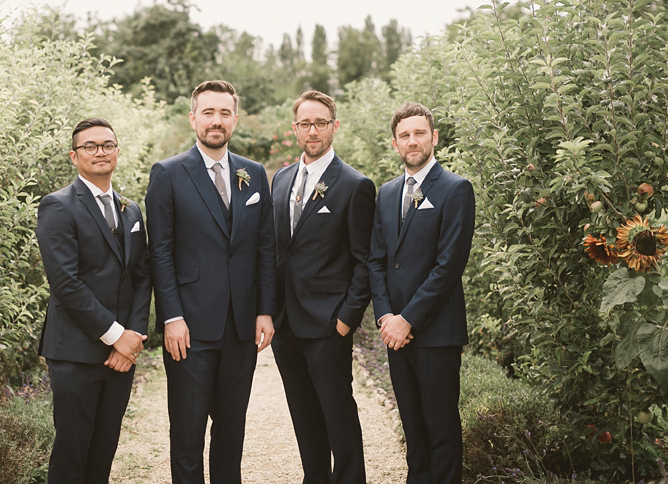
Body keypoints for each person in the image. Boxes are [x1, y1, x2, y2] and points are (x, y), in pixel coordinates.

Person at [145, 80, 276, 484]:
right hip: (190, 327)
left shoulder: (253, 174)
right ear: (193, 118)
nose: (216, 121)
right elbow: (160, 252)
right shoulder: (168, 173)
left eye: (224, 113)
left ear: (234, 119)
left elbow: (264, 249)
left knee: (231, 431)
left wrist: (265, 310)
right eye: (208, 112)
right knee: (187, 433)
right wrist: (171, 317)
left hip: (240, 328)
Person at [36, 118, 151, 484]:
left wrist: (131, 337)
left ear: (117, 152)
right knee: (73, 454)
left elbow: (141, 277)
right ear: (74, 156)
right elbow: (65, 282)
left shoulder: (130, 209)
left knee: (103, 452)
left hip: (120, 357)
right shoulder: (58, 206)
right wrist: (115, 334)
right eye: (90, 146)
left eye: (107, 145)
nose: (100, 152)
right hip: (75, 353)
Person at [271, 91, 375, 484]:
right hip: (286, 324)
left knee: (337, 413)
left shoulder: (354, 185)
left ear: (334, 126)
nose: (312, 131)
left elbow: (364, 261)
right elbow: (276, 251)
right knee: (303, 414)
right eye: (305, 124)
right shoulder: (280, 179)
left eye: (320, 123)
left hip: (329, 324)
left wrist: (346, 319)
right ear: (294, 128)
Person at [368, 103, 475, 484]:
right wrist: (385, 317)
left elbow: (449, 265)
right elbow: (377, 261)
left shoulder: (455, 189)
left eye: (419, 133)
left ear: (433, 137)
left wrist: (408, 319)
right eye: (405, 135)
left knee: (441, 430)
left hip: (435, 331)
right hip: (395, 333)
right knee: (413, 428)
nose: (412, 141)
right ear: (395, 143)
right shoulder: (386, 193)